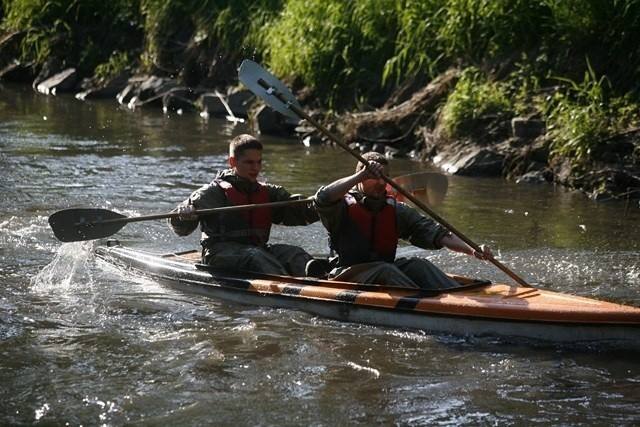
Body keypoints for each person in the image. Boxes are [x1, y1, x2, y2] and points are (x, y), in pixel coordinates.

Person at [313, 151, 494, 289]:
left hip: (385, 268)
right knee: (386, 270)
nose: (381, 183)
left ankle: (460, 297)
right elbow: (323, 197)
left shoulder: (396, 210)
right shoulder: (341, 207)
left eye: (385, 177)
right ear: (360, 178)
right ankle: (426, 306)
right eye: (374, 177)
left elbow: (438, 234)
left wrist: (473, 250)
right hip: (347, 273)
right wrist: (361, 175)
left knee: (419, 265)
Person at [168, 134, 319, 276]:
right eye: (249, 162)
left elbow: (300, 210)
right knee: (255, 256)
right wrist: (185, 216)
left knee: (295, 254)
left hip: (258, 250)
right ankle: (289, 289)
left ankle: (322, 278)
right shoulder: (212, 193)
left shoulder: (269, 192)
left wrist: (323, 203)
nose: (256, 168)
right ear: (233, 162)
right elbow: (178, 226)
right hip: (219, 255)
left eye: (259, 161)